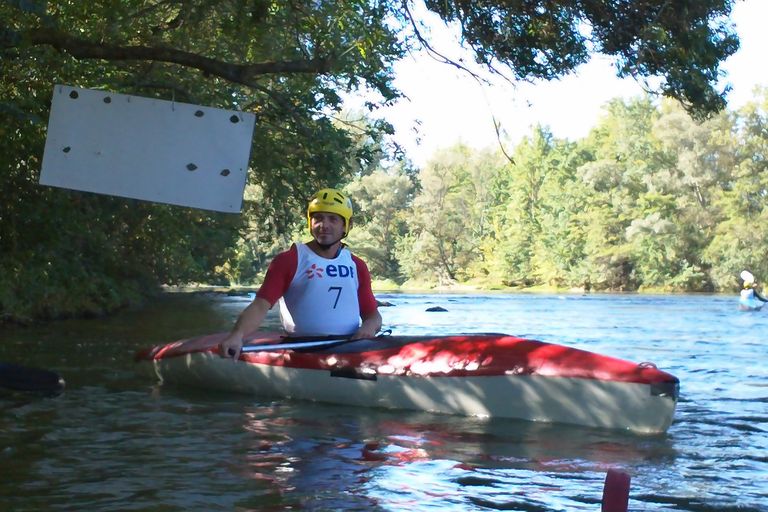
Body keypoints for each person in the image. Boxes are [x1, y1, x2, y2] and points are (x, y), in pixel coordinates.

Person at [219, 188, 382, 359]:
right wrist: (237, 335)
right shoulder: (289, 260)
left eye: (333, 219)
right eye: (318, 218)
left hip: (350, 347)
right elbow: (260, 306)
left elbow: (373, 316)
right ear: (310, 222)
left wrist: (368, 328)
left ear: (346, 225)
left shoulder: (357, 265)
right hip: (302, 347)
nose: (324, 225)